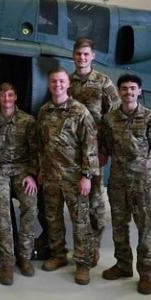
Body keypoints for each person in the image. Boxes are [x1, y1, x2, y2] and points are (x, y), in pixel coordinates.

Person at [99, 73, 151, 295]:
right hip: (118, 181)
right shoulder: (109, 119)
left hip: (144, 183)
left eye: (132, 88)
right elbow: (106, 147)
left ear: (139, 91)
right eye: (124, 88)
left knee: (146, 228)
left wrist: (150, 175)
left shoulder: (150, 118)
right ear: (119, 92)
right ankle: (123, 265)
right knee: (119, 226)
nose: (128, 92)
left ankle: (146, 273)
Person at [37, 67, 100, 285]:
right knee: (53, 219)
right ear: (49, 84)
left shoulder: (79, 111)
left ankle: (83, 263)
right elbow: (41, 145)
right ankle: (58, 255)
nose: (58, 85)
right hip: (51, 176)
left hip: (75, 177)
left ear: (68, 84)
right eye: (54, 81)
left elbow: (90, 145)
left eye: (61, 81)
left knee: (80, 221)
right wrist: (41, 171)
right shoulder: (44, 111)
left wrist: (86, 176)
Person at [68, 37, 120, 267]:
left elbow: (116, 118)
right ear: (73, 56)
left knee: (95, 203)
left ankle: (93, 248)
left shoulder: (103, 82)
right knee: (76, 202)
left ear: (93, 56)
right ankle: (78, 246)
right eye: (79, 54)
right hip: (69, 153)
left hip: (94, 152)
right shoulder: (66, 83)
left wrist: (106, 150)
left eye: (86, 54)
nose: (82, 58)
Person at [0, 83, 39, 284]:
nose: (7, 98)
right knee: (2, 212)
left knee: (30, 206)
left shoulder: (27, 121)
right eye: (3, 95)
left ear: (15, 97)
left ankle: (25, 256)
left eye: (10, 95)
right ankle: (7, 261)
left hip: (22, 171)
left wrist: (32, 174)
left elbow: (36, 150)